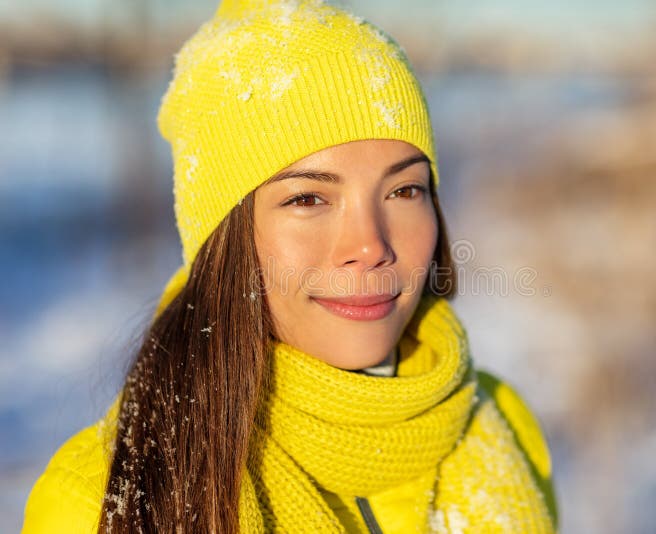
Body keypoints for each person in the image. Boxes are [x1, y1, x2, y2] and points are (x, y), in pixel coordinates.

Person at [22, 1, 559, 532]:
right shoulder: (100, 500)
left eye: (404, 189)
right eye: (308, 199)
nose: (370, 245)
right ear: (221, 240)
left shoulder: (499, 422)